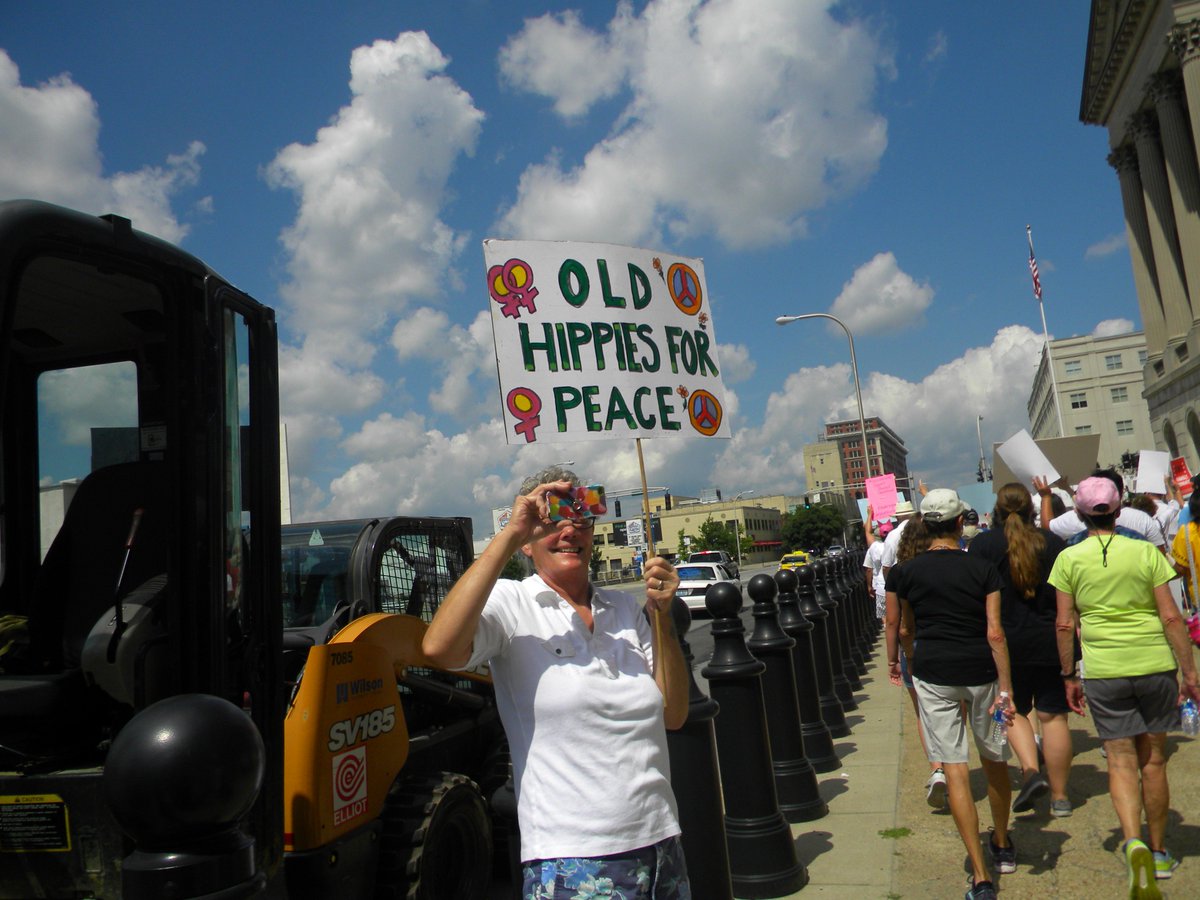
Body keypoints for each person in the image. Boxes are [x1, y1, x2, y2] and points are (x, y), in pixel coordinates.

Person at [423, 466, 691, 899]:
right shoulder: (512, 604)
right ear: (527, 543)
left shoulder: (624, 608)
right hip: (574, 859)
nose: (569, 531)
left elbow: (674, 714)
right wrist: (511, 531)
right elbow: (439, 648)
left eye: (580, 518)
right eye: (550, 522)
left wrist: (660, 616)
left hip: (661, 845)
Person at [1049, 476, 1200, 897]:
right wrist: (1189, 673)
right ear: (1119, 511)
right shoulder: (1145, 552)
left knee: (1119, 761)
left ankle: (1132, 840)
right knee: (1153, 760)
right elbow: (1172, 616)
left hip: (1103, 669)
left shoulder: (1068, 559)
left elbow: (1064, 623)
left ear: (1079, 514)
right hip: (1153, 664)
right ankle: (1158, 850)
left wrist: (1067, 674)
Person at [886, 489, 1013, 900]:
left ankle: (979, 875)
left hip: (934, 671)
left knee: (955, 768)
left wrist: (905, 660)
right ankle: (1002, 842)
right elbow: (995, 632)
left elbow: (905, 628)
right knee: (994, 758)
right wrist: (1006, 689)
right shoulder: (982, 567)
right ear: (961, 523)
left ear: (924, 525)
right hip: (981, 670)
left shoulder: (905, 572)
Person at [970, 483, 1072, 818]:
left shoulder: (982, 546)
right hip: (1048, 639)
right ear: (1031, 509)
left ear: (996, 511)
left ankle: (1030, 771)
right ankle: (1060, 797)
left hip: (1005, 644)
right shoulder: (1053, 543)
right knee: (1053, 717)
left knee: (1010, 710)